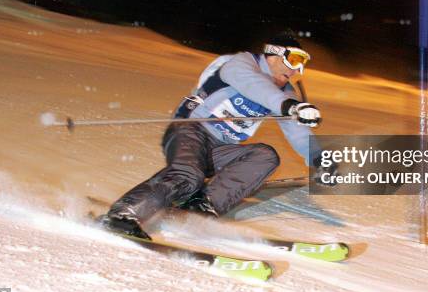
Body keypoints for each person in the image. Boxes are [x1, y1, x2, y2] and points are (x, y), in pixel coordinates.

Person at [102, 33, 326, 238]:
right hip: (190, 131)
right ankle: (122, 215)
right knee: (189, 175)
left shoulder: (284, 93)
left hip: (220, 149)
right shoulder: (243, 63)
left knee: (265, 156)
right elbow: (252, 84)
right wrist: (288, 105)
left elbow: (297, 130)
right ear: (274, 54)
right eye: (295, 60)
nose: (297, 70)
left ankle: (198, 208)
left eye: (303, 64)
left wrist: (319, 158)